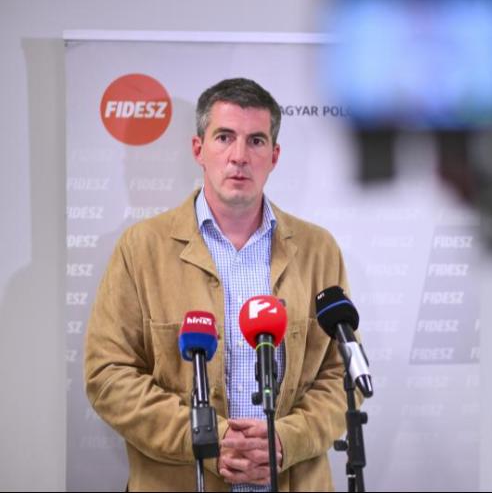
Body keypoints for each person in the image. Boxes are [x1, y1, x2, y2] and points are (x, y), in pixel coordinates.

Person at [85, 78, 351, 491]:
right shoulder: (141, 248)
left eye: (256, 141)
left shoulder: (319, 250)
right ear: (199, 149)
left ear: (274, 156)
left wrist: (287, 440)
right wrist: (206, 438)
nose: (239, 156)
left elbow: (341, 374)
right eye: (224, 137)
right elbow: (108, 375)